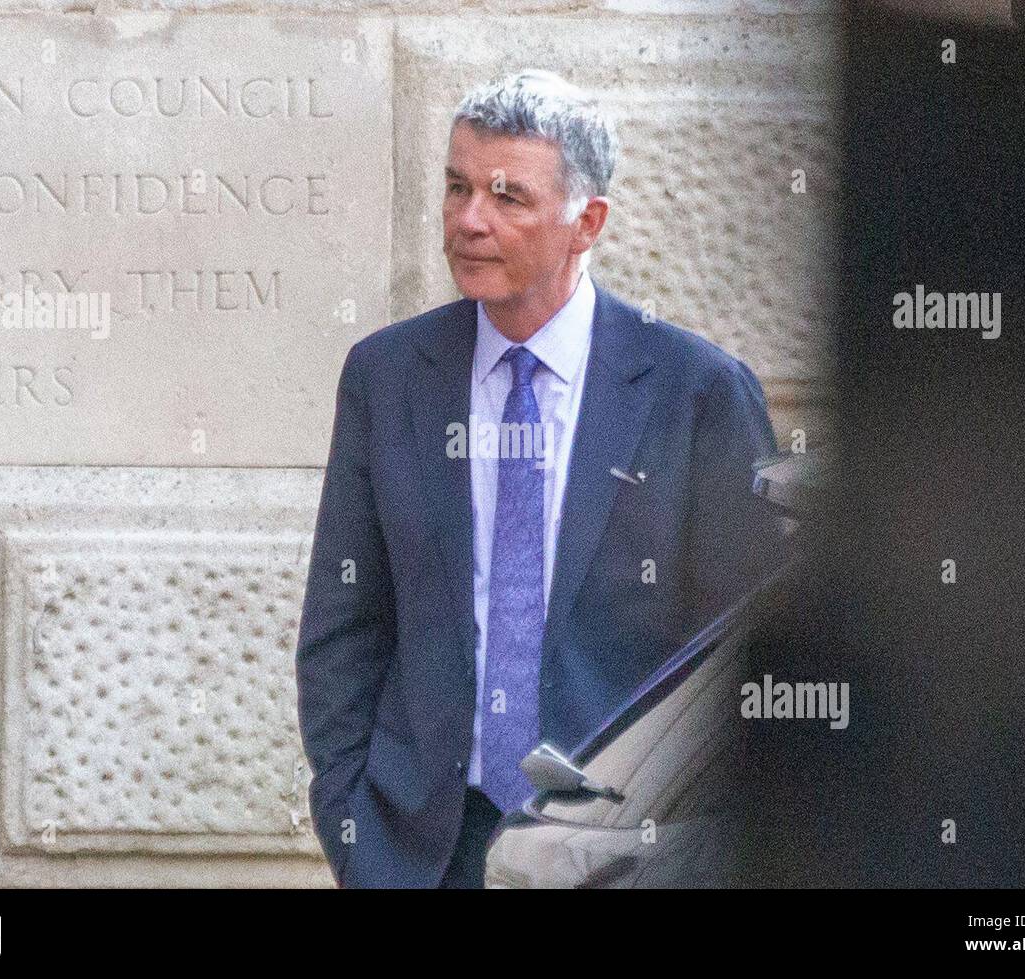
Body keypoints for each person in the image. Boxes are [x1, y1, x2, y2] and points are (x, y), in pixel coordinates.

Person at [296, 69, 785, 888]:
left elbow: (753, 663)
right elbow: (343, 627)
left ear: (585, 222)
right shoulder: (388, 376)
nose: (468, 220)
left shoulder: (696, 392)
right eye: (457, 187)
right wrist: (358, 835)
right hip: (422, 855)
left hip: (614, 853)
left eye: (507, 197)